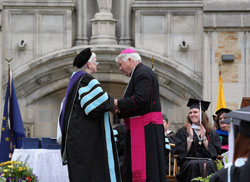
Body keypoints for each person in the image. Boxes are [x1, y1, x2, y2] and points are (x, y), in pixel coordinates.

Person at [59, 48, 121, 182]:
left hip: (78, 140)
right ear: (88, 64)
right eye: (95, 61)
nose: (97, 64)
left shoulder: (75, 79)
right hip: (86, 142)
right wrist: (116, 104)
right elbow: (97, 105)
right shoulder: (85, 79)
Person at [114, 48, 166, 182]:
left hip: (146, 128)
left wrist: (118, 104)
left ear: (130, 60)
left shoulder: (142, 73)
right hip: (142, 127)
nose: (120, 69)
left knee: (148, 167)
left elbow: (140, 99)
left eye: (121, 64)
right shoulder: (140, 73)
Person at [174, 98, 221, 182]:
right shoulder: (183, 132)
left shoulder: (212, 133)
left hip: (208, 162)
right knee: (193, 164)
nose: (192, 114)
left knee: (208, 164)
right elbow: (180, 153)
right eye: (190, 113)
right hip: (188, 163)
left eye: (195, 112)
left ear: (202, 114)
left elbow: (215, 154)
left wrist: (204, 138)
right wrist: (190, 138)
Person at [210, 106, 250, 182]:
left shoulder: (229, 174)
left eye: (225, 118)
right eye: (220, 119)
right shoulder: (215, 134)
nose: (222, 121)